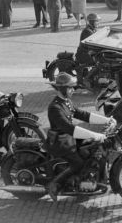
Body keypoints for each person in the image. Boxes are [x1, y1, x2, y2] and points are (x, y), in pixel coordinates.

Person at [46, 72, 116, 201]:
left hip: (68, 138)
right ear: (62, 89)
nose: (73, 90)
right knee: (78, 163)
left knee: (93, 149)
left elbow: (83, 114)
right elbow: (70, 129)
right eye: (70, 88)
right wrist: (95, 135)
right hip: (60, 141)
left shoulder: (66, 102)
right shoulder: (55, 107)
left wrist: (106, 120)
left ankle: (92, 179)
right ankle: (54, 185)